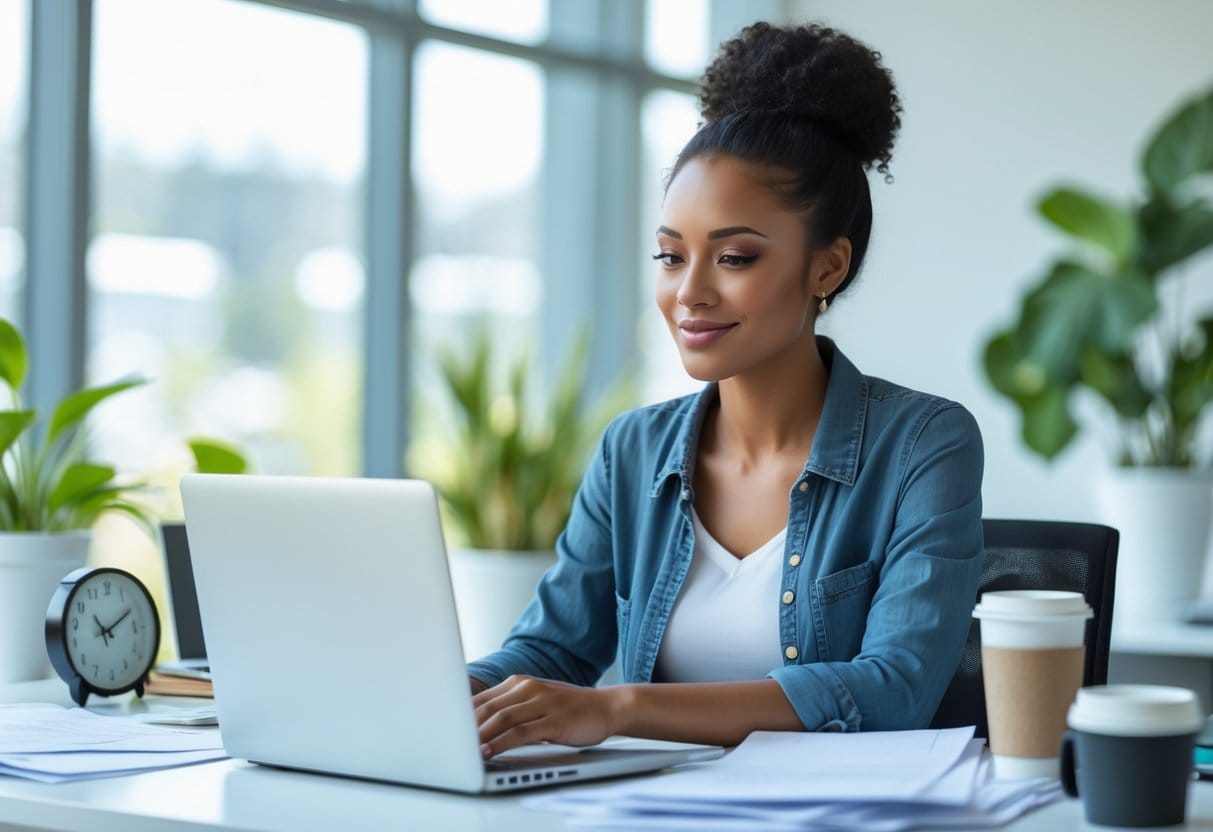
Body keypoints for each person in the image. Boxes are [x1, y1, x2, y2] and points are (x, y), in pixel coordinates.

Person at [468, 21, 983, 759]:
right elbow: (549, 654)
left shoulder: (923, 444)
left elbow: (891, 689)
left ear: (827, 268)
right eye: (670, 255)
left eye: (734, 256)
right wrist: (434, 686)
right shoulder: (632, 451)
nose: (689, 293)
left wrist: (619, 708)